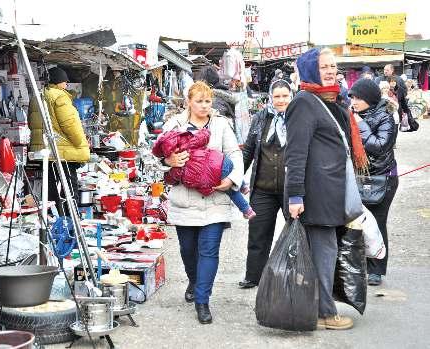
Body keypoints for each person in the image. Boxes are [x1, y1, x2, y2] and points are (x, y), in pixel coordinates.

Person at [285, 47, 363, 330]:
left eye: (333, 66)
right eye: (324, 66)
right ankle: (325, 314)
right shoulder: (304, 102)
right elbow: (295, 154)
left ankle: (319, 308)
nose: (331, 71)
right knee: (324, 252)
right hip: (314, 194)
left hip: (330, 191)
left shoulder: (331, 99)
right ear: (309, 70)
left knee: (324, 251)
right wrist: (295, 195)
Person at [161, 81, 243, 324]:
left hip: (215, 198)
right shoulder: (174, 124)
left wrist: (231, 179)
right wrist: (170, 161)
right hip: (184, 200)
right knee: (188, 250)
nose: (204, 106)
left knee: (209, 250)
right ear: (189, 102)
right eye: (199, 101)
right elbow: (159, 154)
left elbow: (234, 154)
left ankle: (202, 300)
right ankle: (194, 280)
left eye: (208, 101)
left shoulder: (221, 125)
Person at [238, 79, 293, 289]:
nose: (280, 100)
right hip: (263, 189)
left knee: (295, 235)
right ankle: (254, 276)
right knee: (258, 235)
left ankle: (292, 276)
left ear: (291, 96)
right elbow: (249, 151)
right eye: (276, 96)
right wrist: (235, 176)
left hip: (291, 189)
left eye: (284, 96)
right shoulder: (261, 118)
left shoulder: (298, 118)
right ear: (270, 97)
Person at [348, 78, 399, 286]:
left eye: (358, 97)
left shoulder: (386, 117)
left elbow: (380, 146)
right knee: (358, 222)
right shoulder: (353, 114)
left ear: (369, 99)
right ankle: (360, 265)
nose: (354, 101)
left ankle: (377, 269)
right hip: (357, 176)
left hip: (381, 178)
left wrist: (360, 125)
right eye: (352, 97)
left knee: (377, 222)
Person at [152, 127, 255, 219]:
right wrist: (204, 130)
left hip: (212, 178)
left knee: (231, 191)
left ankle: (247, 210)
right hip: (220, 160)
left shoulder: (177, 163)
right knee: (229, 173)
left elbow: (172, 179)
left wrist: (168, 166)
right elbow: (203, 137)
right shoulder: (188, 141)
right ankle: (243, 185)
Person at [28, 67, 90, 216]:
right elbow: (70, 125)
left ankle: (53, 222)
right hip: (62, 153)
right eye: (65, 82)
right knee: (69, 191)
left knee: (51, 192)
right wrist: (81, 143)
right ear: (60, 82)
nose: (67, 85)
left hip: (45, 153)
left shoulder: (37, 96)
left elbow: (31, 124)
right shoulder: (60, 97)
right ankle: (70, 222)